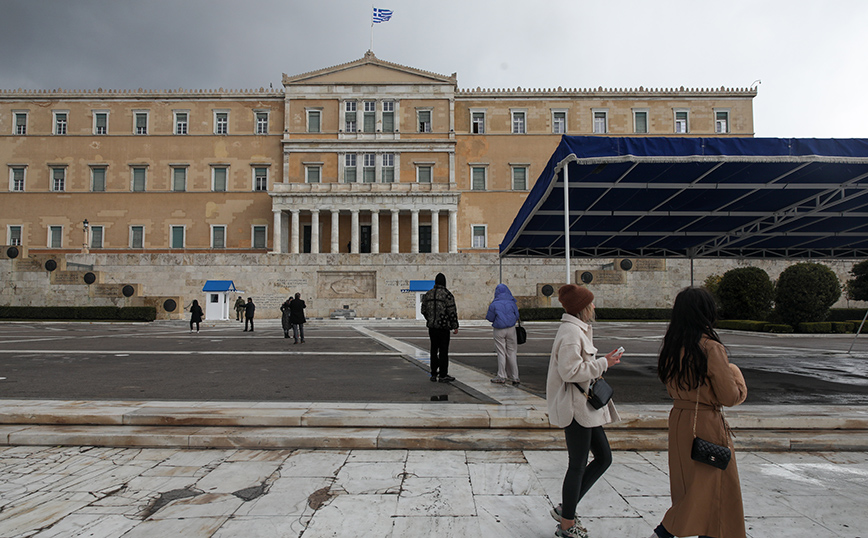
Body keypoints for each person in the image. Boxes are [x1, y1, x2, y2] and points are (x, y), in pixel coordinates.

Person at [648, 287, 748, 538]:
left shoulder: (672, 345)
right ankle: (664, 532)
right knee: (711, 489)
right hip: (705, 422)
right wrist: (735, 373)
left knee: (690, 487)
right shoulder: (710, 347)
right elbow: (729, 396)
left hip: (680, 419)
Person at [546, 284, 623, 538]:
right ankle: (567, 524)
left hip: (585, 409)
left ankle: (565, 509)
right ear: (582, 308)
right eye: (591, 303)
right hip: (575, 409)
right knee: (577, 465)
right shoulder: (570, 333)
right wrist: (603, 363)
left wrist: (603, 362)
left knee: (604, 458)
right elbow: (569, 372)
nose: (594, 307)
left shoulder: (578, 330)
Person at [420, 272, 459, 383]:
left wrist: (430, 318)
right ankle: (443, 375)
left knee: (433, 350)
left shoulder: (428, 294)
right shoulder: (447, 295)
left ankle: (433, 373)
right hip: (443, 327)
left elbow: (423, 310)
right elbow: (452, 312)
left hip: (432, 327)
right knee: (443, 351)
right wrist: (454, 326)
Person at [485, 283, 521, 385]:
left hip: (499, 329)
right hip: (511, 329)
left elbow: (490, 318)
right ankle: (515, 376)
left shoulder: (494, 304)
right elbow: (517, 315)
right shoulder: (512, 303)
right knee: (512, 352)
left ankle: (501, 375)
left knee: (501, 352)